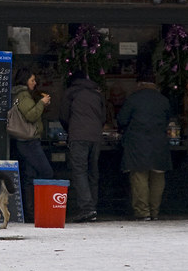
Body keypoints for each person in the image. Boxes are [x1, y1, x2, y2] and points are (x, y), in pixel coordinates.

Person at [117, 70, 173, 220]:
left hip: (137, 144)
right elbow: (168, 120)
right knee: (158, 178)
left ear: (139, 83)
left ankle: (143, 212)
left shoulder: (133, 99)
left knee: (139, 178)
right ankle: (155, 212)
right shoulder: (163, 100)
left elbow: (122, 120)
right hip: (159, 143)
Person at [60, 70, 106, 222]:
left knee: (79, 171)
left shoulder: (70, 93)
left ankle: (87, 208)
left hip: (78, 137)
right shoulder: (97, 94)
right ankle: (93, 206)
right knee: (93, 171)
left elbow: (64, 116)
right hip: (96, 137)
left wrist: (70, 130)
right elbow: (104, 117)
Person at [10, 67, 53, 221]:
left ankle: (31, 213)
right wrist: (41, 103)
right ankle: (44, 209)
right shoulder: (24, 96)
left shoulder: (20, 95)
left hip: (25, 142)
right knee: (46, 172)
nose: (35, 83)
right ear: (25, 81)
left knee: (31, 175)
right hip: (29, 142)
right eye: (32, 80)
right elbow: (31, 115)